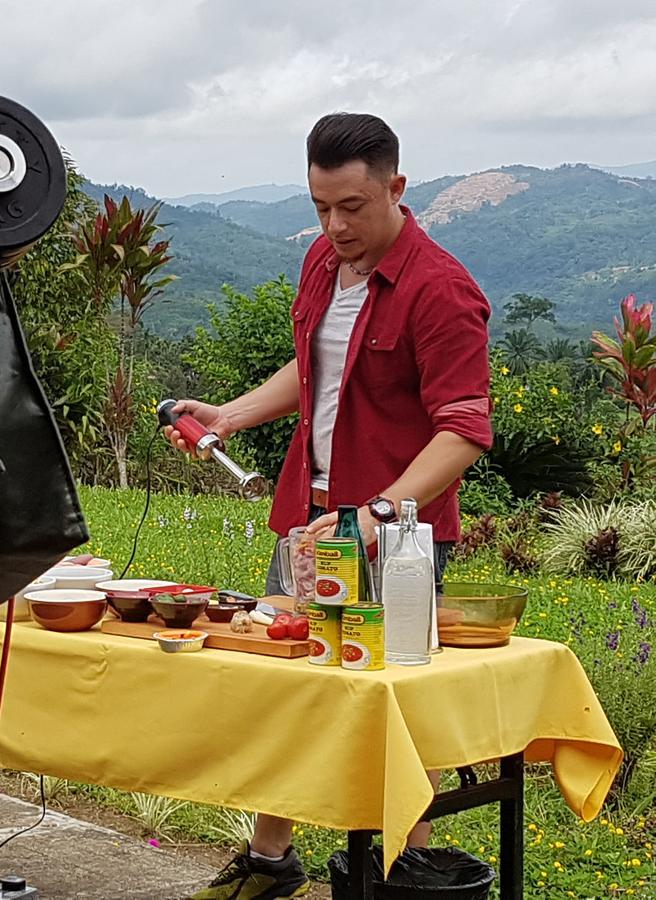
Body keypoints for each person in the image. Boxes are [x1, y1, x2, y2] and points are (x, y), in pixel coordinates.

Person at [172, 113, 493, 900]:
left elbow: (464, 432)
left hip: (394, 535)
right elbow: (315, 365)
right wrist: (231, 416)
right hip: (309, 518)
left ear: (396, 188)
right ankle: (271, 862)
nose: (334, 225)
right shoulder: (323, 261)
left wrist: (378, 515)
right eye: (320, 206)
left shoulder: (441, 291)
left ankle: (399, 870)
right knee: (289, 685)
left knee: (383, 705)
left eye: (352, 206)